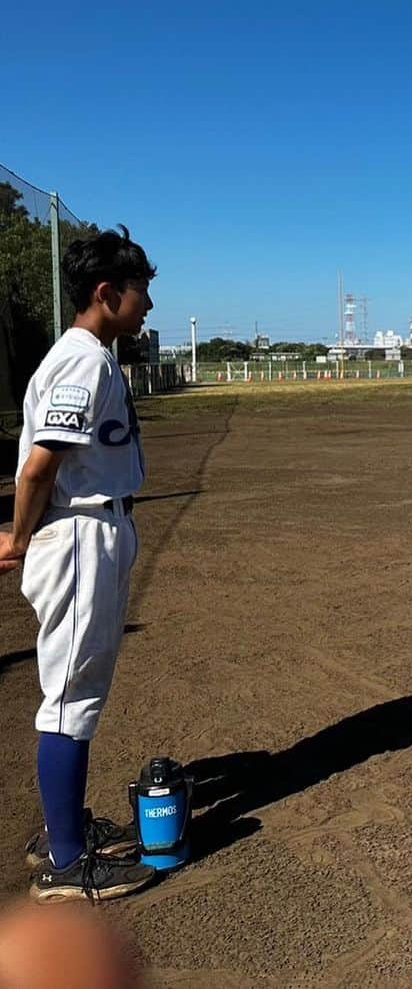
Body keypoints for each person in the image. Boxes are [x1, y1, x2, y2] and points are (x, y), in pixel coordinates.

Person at [0, 227, 157, 901]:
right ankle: (65, 862)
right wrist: (15, 537)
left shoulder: (91, 355)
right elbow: (39, 467)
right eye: (140, 292)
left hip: (96, 528)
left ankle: (65, 832)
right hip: (78, 534)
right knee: (69, 698)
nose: (147, 304)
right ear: (106, 292)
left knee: (77, 694)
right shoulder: (85, 360)